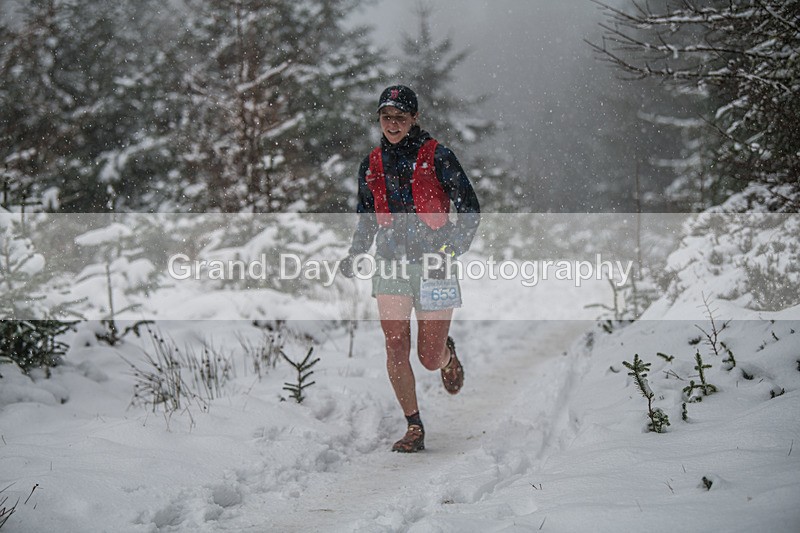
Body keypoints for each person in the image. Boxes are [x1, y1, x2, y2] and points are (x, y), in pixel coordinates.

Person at [340, 85, 480, 453]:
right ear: (379, 119)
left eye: (400, 117)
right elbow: (367, 217)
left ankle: (446, 355)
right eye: (386, 117)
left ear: (414, 118)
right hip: (391, 262)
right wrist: (356, 252)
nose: (393, 124)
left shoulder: (438, 156)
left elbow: (469, 208)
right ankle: (413, 425)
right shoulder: (372, 163)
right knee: (395, 344)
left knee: (428, 358)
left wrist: (452, 248)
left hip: (436, 263)